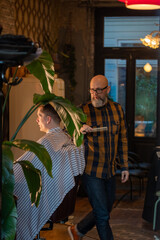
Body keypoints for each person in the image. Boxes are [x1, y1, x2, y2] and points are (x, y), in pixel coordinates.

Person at [68, 75, 129, 240]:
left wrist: (124, 166)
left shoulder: (117, 109)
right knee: (102, 215)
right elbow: (67, 131)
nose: (95, 94)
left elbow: (122, 139)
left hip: (110, 170)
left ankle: (78, 230)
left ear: (107, 89)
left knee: (105, 209)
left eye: (99, 90)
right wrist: (79, 129)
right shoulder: (81, 111)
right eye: (92, 90)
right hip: (91, 171)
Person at [13, 103, 85, 240]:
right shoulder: (65, 137)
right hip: (62, 202)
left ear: (48, 119)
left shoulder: (47, 142)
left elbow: (20, 169)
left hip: (47, 196)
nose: (36, 120)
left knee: (13, 191)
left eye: (39, 116)